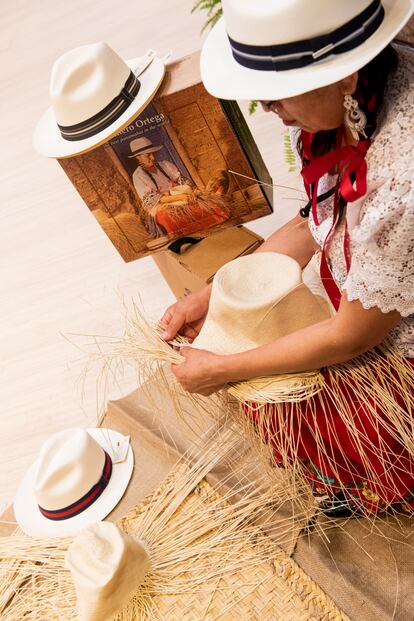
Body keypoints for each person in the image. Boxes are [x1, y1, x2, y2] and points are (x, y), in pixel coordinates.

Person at [160, 0, 414, 515]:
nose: (268, 110)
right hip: (363, 296)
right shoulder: (347, 104)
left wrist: (226, 369)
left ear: (343, 76)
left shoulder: (402, 179)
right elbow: (315, 220)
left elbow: (352, 336)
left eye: (275, 95)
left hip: (385, 326)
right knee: (255, 335)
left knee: (294, 396)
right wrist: (215, 294)